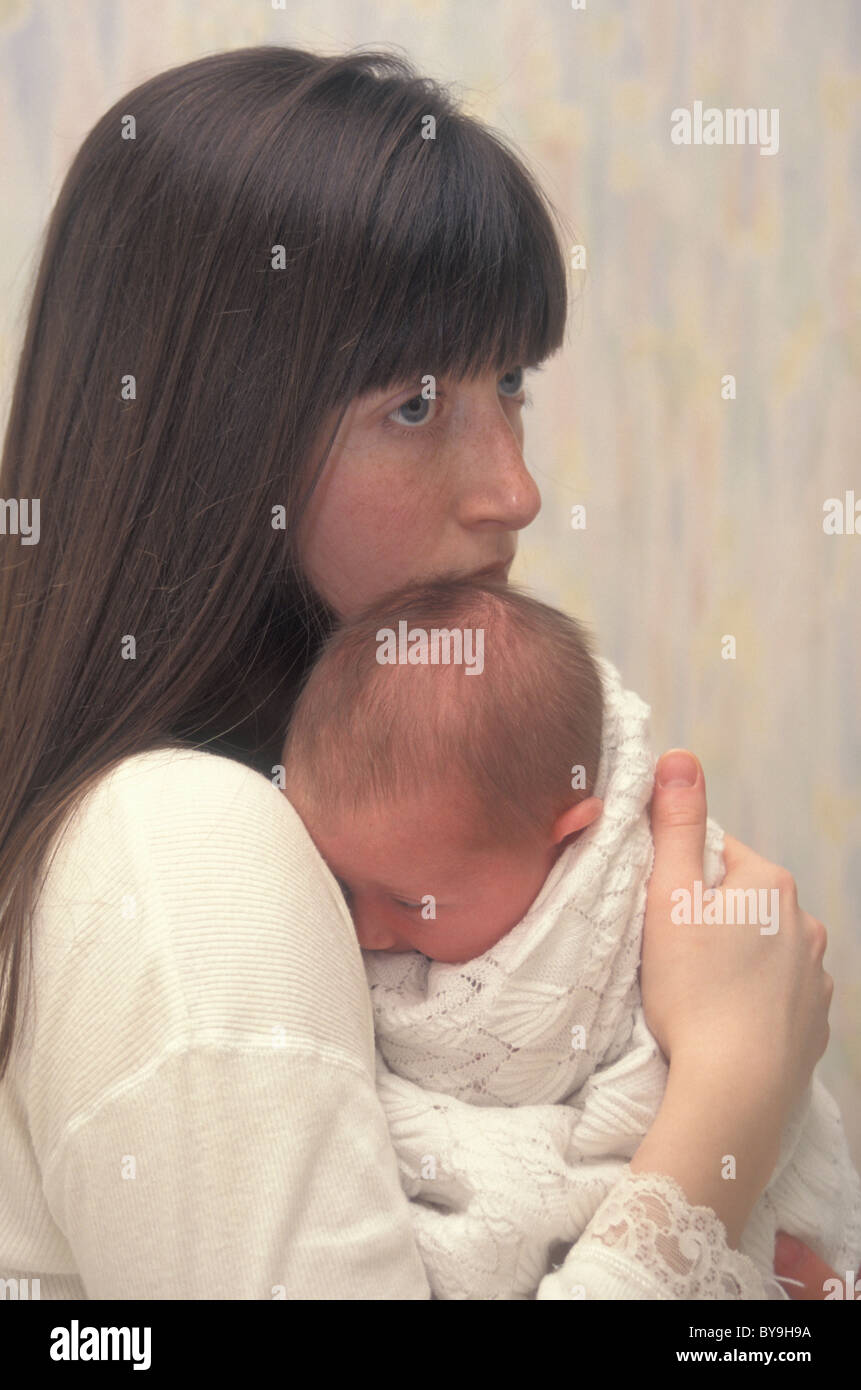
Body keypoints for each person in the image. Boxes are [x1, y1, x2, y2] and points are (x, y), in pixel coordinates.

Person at [0, 44, 838, 1299]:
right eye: (414, 405)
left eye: (510, 385)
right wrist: (728, 1095)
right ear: (212, 436)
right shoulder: (185, 845)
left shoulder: (310, 803)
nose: (517, 489)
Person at [279, 576, 861, 1299]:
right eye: (343, 886)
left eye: (408, 900)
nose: (366, 930)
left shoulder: (646, 891)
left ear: (565, 839)